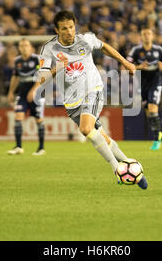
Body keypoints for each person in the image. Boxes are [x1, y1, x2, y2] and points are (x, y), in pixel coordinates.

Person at [37, 10, 147, 189]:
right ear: (57, 30)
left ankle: (117, 170)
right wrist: (56, 68)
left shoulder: (85, 39)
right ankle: (131, 166)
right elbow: (41, 79)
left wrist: (124, 62)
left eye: (71, 27)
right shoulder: (49, 49)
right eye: (64, 28)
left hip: (92, 89)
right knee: (101, 136)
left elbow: (104, 47)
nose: (69, 31)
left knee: (86, 128)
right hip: (71, 102)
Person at [126, 28, 162, 150]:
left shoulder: (158, 49)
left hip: (156, 82)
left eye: (149, 34)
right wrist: (139, 67)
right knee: (149, 113)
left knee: (152, 107)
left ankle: (157, 137)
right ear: (141, 36)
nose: (147, 36)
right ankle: (156, 133)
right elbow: (126, 66)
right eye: (144, 34)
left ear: (152, 36)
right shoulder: (136, 50)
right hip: (142, 85)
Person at [7, 39, 46, 156]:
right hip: (22, 93)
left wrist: (33, 91)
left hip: (37, 94)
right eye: (21, 45)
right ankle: (18, 146)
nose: (24, 47)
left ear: (30, 47)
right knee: (18, 116)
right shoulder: (17, 61)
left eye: (26, 45)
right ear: (19, 48)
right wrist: (10, 92)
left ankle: (41, 148)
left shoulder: (36, 59)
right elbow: (15, 77)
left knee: (38, 119)